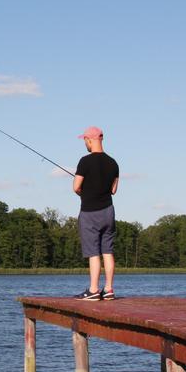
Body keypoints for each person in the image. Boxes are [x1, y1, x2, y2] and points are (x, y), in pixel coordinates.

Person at [72, 126, 119, 301]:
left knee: (93, 252)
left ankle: (93, 290)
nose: (85, 143)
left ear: (90, 140)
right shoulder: (113, 163)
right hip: (108, 211)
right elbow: (114, 189)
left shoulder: (84, 161)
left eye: (85, 140)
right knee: (107, 250)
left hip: (90, 212)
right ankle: (109, 289)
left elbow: (76, 187)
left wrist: (84, 192)